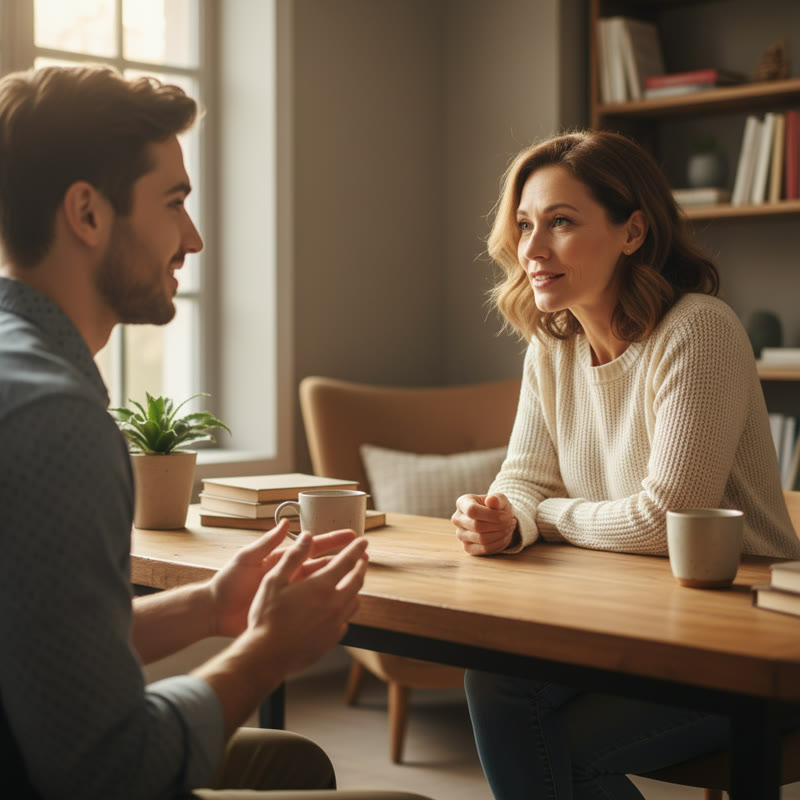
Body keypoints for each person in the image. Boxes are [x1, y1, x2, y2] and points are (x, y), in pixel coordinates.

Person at [0, 65, 427, 800]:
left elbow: (45, 650)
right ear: (87, 214)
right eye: (174, 203)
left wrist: (209, 607)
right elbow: (111, 771)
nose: (192, 239)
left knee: (294, 763)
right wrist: (265, 653)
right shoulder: (55, 422)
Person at [451, 130, 800, 799]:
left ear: (632, 232)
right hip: (630, 620)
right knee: (494, 680)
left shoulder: (698, 331)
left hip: (745, 641)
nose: (532, 249)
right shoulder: (551, 350)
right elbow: (522, 481)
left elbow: (665, 519)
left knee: (553, 749)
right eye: (525, 225)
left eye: (561, 222)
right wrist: (501, 518)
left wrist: (541, 520)